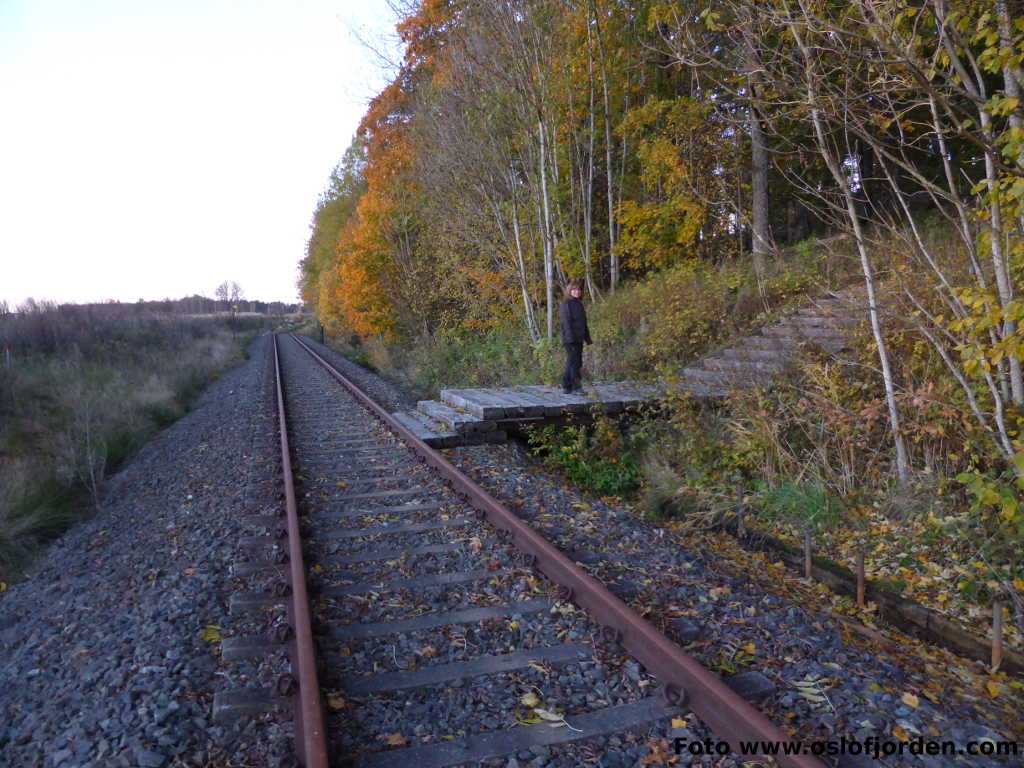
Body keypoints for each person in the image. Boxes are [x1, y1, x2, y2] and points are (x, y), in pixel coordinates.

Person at [559, 279, 591, 393]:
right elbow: (565, 323)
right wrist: (570, 339)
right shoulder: (565, 305)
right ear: (570, 291)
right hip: (570, 339)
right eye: (574, 289)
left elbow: (583, 323)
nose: (577, 292)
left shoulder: (579, 304)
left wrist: (587, 338)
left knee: (573, 362)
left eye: (579, 290)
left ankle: (566, 386)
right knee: (575, 363)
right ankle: (576, 387)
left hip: (579, 338)